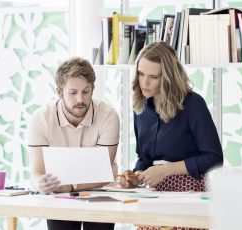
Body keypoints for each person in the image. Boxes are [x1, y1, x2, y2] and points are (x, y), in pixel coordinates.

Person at [119, 41, 223, 229]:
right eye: (141, 74)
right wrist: (135, 175)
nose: (144, 82)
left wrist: (166, 170)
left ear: (167, 77)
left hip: (189, 193)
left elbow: (214, 158)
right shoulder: (140, 108)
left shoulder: (193, 104)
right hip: (153, 195)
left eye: (153, 77)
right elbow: (144, 157)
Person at [27, 57, 119, 230]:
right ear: (60, 92)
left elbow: (102, 171)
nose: (80, 99)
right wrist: (40, 183)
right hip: (59, 196)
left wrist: (70, 185)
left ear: (93, 89)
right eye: (73, 92)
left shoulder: (108, 116)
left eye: (86, 91)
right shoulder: (40, 119)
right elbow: (37, 172)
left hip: (100, 194)